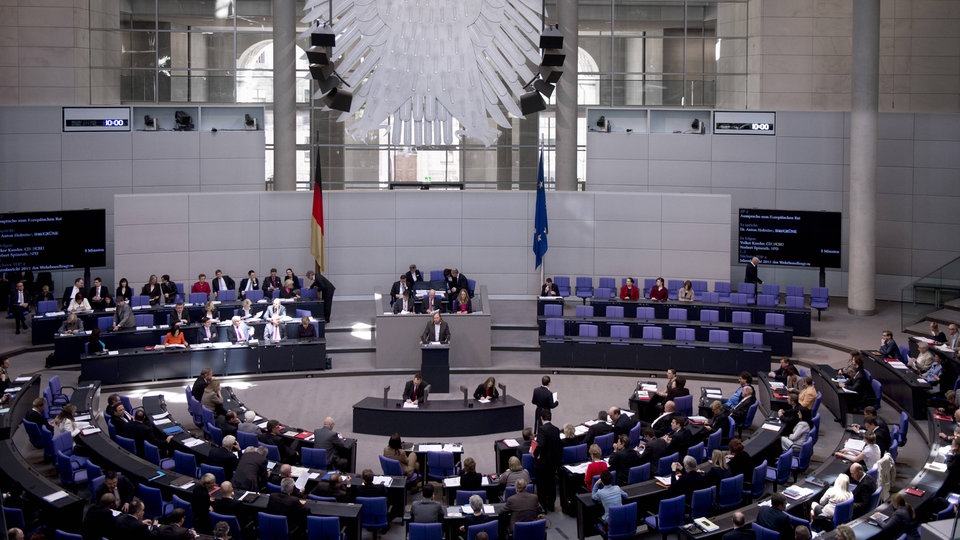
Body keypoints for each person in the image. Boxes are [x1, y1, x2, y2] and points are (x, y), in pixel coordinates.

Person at [534, 409, 561, 512]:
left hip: (543, 463)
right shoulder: (556, 429)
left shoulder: (542, 430)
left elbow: (541, 444)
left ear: (541, 418)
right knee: (551, 484)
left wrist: (535, 454)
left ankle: (543, 506)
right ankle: (551, 505)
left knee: (541, 485)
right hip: (553, 462)